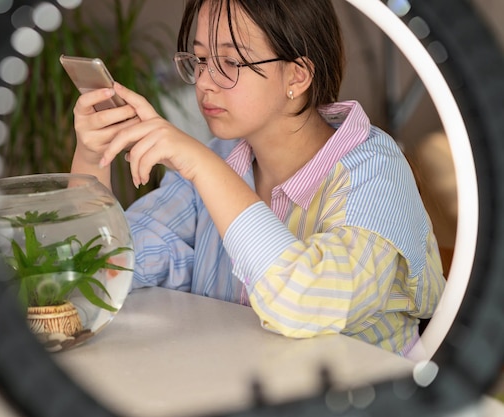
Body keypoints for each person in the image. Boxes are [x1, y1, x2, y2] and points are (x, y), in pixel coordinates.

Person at [69, 0, 446, 355]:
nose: (203, 82)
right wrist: (91, 156)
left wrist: (202, 165)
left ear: (297, 76)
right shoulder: (219, 158)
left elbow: (305, 301)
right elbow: (100, 274)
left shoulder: (375, 172)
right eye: (200, 59)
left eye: (230, 62)